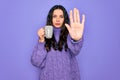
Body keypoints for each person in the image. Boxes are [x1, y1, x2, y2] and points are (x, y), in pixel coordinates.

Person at [31, 5, 85, 80]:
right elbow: (36, 62)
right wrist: (41, 40)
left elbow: (75, 51)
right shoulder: (45, 34)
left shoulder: (70, 33)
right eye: (54, 16)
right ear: (50, 18)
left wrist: (76, 39)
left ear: (65, 19)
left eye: (61, 16)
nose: (58, 19)